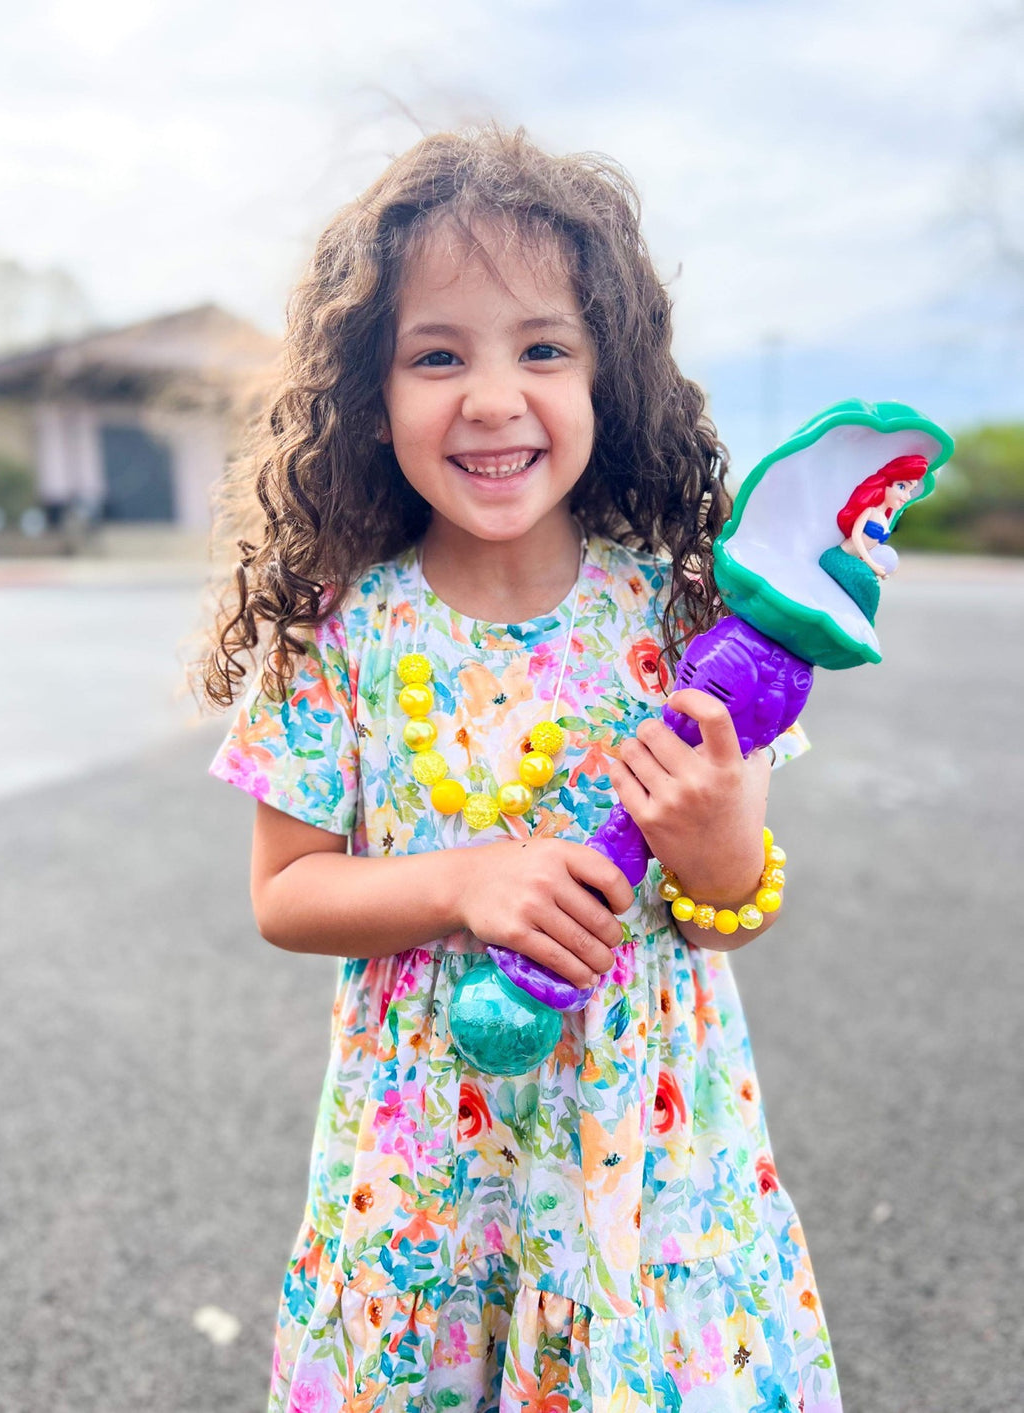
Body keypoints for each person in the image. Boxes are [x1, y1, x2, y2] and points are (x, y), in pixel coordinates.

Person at [200, 127, 841, 1413]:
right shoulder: (341, 627)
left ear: (613, 379)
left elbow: (734, 906)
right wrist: (469, 883)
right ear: (368, 400)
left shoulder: (685, 620)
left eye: (543, 348)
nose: (492, 397)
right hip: (424, 1169)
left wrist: (713, 838)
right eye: (437, 356)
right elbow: (287, 897)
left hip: (646, 1166)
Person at [818, 455, 926, 623]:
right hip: (837, 556)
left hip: (856, 559)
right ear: (886, 486)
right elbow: (856, 537)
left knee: (868, 587)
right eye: (902, 486)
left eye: (910, 490)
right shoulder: (870, 512)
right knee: (865, 582)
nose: (907, 496)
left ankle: (862, 624)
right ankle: (860, 624)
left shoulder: (885, 517)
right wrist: (870, 562)